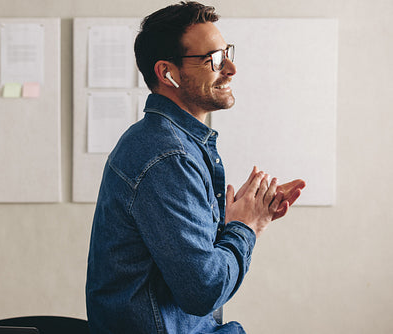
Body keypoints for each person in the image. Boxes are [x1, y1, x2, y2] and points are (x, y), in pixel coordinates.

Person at [85, 2, 306, 333]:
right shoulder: (168, 157)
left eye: (227, 52)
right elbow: (204, 291)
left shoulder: (173, 143)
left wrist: (241, 220)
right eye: (214, 59)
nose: (230, 68)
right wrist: (246, 227)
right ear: (168, 73)